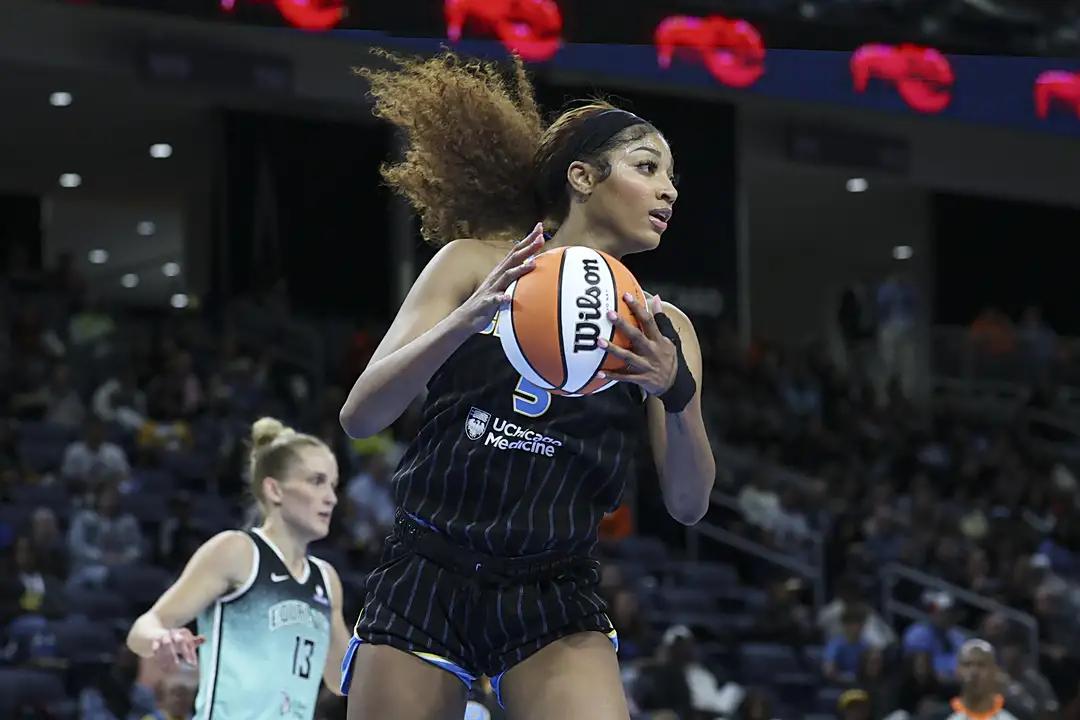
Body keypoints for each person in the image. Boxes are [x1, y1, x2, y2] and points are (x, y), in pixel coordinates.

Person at [339, 51, 715, 720]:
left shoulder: (664, 328)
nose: (670, 192)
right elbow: (362, 417)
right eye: (647, 167)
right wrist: (464, 321)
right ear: (582, 177)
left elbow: (688, 504)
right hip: (429, 564)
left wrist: (676, 393)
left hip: (554, 588)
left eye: (672, 178)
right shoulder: (474, 264)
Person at [126, 417, 351, 720]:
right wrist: (160, 638)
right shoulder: (238, 552)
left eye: (333, 485)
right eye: (316, 481)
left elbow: (340, 680)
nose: (331, 498)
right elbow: (142, 629)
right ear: (275, 490)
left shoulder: (326, 580)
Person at [932, 639, 1024, 720]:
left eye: (981, 665)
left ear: (995, 671)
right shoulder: (939, 717)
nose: (974, 672)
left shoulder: (1019, 716)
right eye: (967, 665)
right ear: (957, 671)